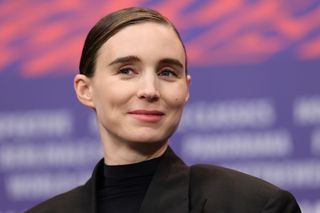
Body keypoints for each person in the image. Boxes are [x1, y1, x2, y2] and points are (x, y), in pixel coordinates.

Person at [26, 7, 301, 213]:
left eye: (167, 72)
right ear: (85, 89)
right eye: (126, 70)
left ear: (186, 88)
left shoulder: (254, 206)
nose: (150, 89)